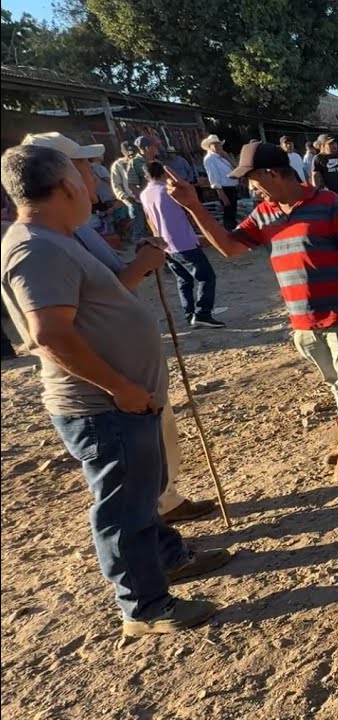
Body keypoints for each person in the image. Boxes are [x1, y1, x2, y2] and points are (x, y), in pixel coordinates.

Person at [1, 144, 232, 636]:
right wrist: (120, 387)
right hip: (101, 404)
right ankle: (144, 607)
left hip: (121, 399)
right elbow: (50, 334)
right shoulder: (35, 248)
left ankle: (168, 557)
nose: (94, 186)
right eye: (85, 177)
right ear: (67, 186)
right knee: (123, 506)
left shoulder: (57, 238)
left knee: (141, 490)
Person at [22, 132, 219, 524]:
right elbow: (50, 330)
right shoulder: (41, 243)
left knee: (157, 447)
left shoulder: (77, 230)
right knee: (128, 481)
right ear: (62, 179)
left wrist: (142, 260)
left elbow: (110, 287)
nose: (93, 175)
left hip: (131, 376)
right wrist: (141, 266)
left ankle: (166, 503)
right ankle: (156, 540)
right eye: (83, 168)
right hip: (108, 388)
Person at [166, 141, 338, 481]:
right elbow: (231, 248)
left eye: (252, 180)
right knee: (334, 381)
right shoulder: (264, 214)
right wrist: (194, 207)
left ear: (273, 174)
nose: (250, 188)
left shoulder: (327, 203)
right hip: (301, 318)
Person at [139, 161, 226, 329]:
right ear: (164, 173)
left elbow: (149, 219)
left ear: (146, 176)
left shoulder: (144, 194)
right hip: (182, 241)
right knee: (206, 277)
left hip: (164, 242)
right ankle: (202, 313)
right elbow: (190, 208)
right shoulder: (169, 191)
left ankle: (190, 314)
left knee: (183, 280)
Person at [201, 134, 239, 231]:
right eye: (215, 145)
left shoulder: (221, 157)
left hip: (232, 186)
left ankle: (233, 229)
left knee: (232, 211)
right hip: (224, 188)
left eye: (219, 145)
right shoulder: (209, 159)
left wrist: (227, 157)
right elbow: (213, 178)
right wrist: (222, 194)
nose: (218, 147)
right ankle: (230, 231)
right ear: (210, 146)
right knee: (228, 211)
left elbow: (236, 168)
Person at [310, 134, 338, 208]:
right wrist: (317, 193)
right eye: (330, 143)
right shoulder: (318, 158)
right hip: (329, 196)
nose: (334, 145)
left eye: (335, 143)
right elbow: (315, 176)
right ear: (322, 146)